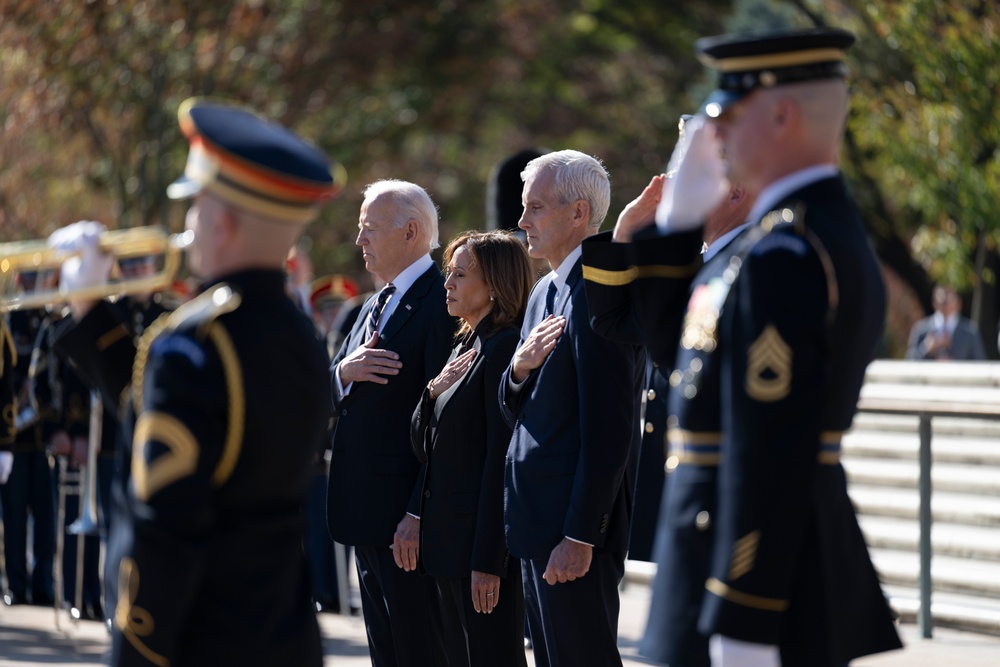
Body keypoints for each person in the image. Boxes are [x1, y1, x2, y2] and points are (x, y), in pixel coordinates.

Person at [585, 27, 902, 667]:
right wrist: (674, 229)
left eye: (726, 115)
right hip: (724, 562)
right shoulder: (774, 243)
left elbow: (769, 448)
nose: (714, 134)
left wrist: (744, 611)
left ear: (782, 115)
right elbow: (683, 360)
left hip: (754, 581)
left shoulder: (788, 254)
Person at [50, 97, 343, 666]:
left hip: (198, 644)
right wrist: (90, 312)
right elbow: (165, 427)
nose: (187, 227)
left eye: (194, 209)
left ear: (224, 221)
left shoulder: (193, 341)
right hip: (280, 639)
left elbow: (159, 533)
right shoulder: (300, 335)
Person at [499, 150, 645, 667]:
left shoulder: (597, 294)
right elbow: (516, 407)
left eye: (536, 207)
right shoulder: (543, 290)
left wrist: (581, 533)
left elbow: (610, 428)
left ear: (578, 213)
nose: (522, 222)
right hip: (537, 519)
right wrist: (516, 369)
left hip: (572, 529)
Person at [326, 179, 455, 667]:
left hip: (406, 519)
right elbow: (332, 385)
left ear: (411, 232)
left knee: (419, 648)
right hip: (364, 509)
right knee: (385, 649)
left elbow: (445, 422)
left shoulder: (443, 300)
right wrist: (344, 371)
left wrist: (418, 512)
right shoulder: (369, 306)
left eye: (369, 229)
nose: (360, 241)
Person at [410, 230, 533, 667]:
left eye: (461, 275)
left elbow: (499, 463)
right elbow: (426, 448)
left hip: (476, 552)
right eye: (449, 273)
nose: (448, 284)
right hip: (447, 545)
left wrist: (489, 560)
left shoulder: (503, 348)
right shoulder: (466, 343)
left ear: (496, 286)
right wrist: (429, 394)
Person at [1, 273, 56, 609]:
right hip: (15, 437)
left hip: (45, 435)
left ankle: (44, 586)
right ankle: (16, 586)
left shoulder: (48, 321)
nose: (36, 284)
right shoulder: (10, 318)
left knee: (46, 520)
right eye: (30, 278)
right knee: (15, 517)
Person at [906, 285, 986, 360]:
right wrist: (925, 349)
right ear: (934, 302)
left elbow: (980, 364)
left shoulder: (970, 331)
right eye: (942, 300)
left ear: (958, 303)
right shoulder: (921, 329)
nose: (945, 302)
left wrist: (954, 366)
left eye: (949, 299)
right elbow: (909, 361)